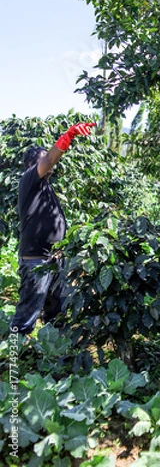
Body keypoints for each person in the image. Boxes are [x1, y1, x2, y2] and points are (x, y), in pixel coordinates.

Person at [10, 122, 96, 336]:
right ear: (32, 164)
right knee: (25, 316)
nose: (51, 162)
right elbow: (50, 159)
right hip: (36, 260)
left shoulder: (45, 186)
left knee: (56, 313)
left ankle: (54, 357)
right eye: (43, 157)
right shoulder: (29, 180)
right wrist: (69, 136)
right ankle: (11, 361)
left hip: (54, 259)